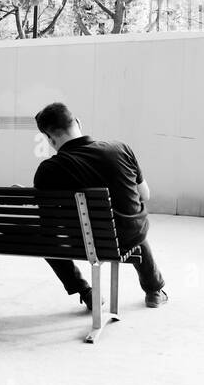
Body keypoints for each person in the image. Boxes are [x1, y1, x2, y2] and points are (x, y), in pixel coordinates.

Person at [32, 102, 167, 311]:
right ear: (77, 122)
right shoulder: (120, 149)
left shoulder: (48, 171)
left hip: (81, 245)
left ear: (50, 139)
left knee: (45, 240)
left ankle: (86, 292)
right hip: (128, 236)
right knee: (130, 225)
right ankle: (153, 290)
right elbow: (145, 194)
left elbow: (48, 219)